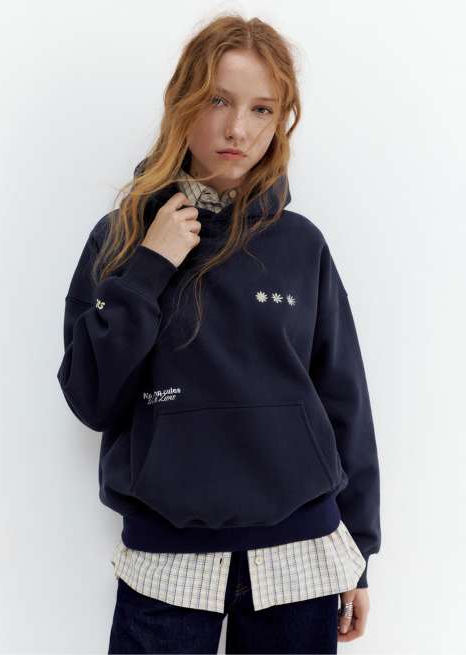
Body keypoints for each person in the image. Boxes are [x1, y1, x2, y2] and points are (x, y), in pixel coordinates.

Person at [57, 13, 381, 655]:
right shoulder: (121, 238)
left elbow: (344, 398)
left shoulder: (301, 245)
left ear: (280, 122)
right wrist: (150, 266)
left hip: (302, 558)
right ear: (184, 103)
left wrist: (359, 551)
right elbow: (91, 398)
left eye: (263, 109)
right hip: (166, 562)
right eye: (218, 101)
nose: (239, 129)